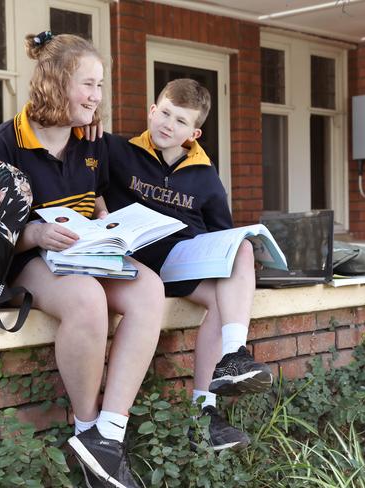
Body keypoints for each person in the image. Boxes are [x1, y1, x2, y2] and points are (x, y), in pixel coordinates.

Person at [0, 31, 164, 488]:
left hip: (86, 252)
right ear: (57, 83)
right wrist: (35, 232)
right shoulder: (5, 143)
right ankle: (85, 428)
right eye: (88, 85)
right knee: (85, 299)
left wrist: (105, 221)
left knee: (149, 288)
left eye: (100, 85)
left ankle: (108, 437)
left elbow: (97, 197)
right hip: (29, 259)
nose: (97, 96)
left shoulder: (92, 140)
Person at [103, 78, 273, 450]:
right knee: (229, 273)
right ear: (152, 110)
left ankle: (221, 379)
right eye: (164, 113)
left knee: (241, 250)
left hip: (183, 261)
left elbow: (221, 238)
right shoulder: (116, 151)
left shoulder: (205, 176)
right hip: (136, 260)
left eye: (180, 121)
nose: (168, 125)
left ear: (193, 132)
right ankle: (209, 402)